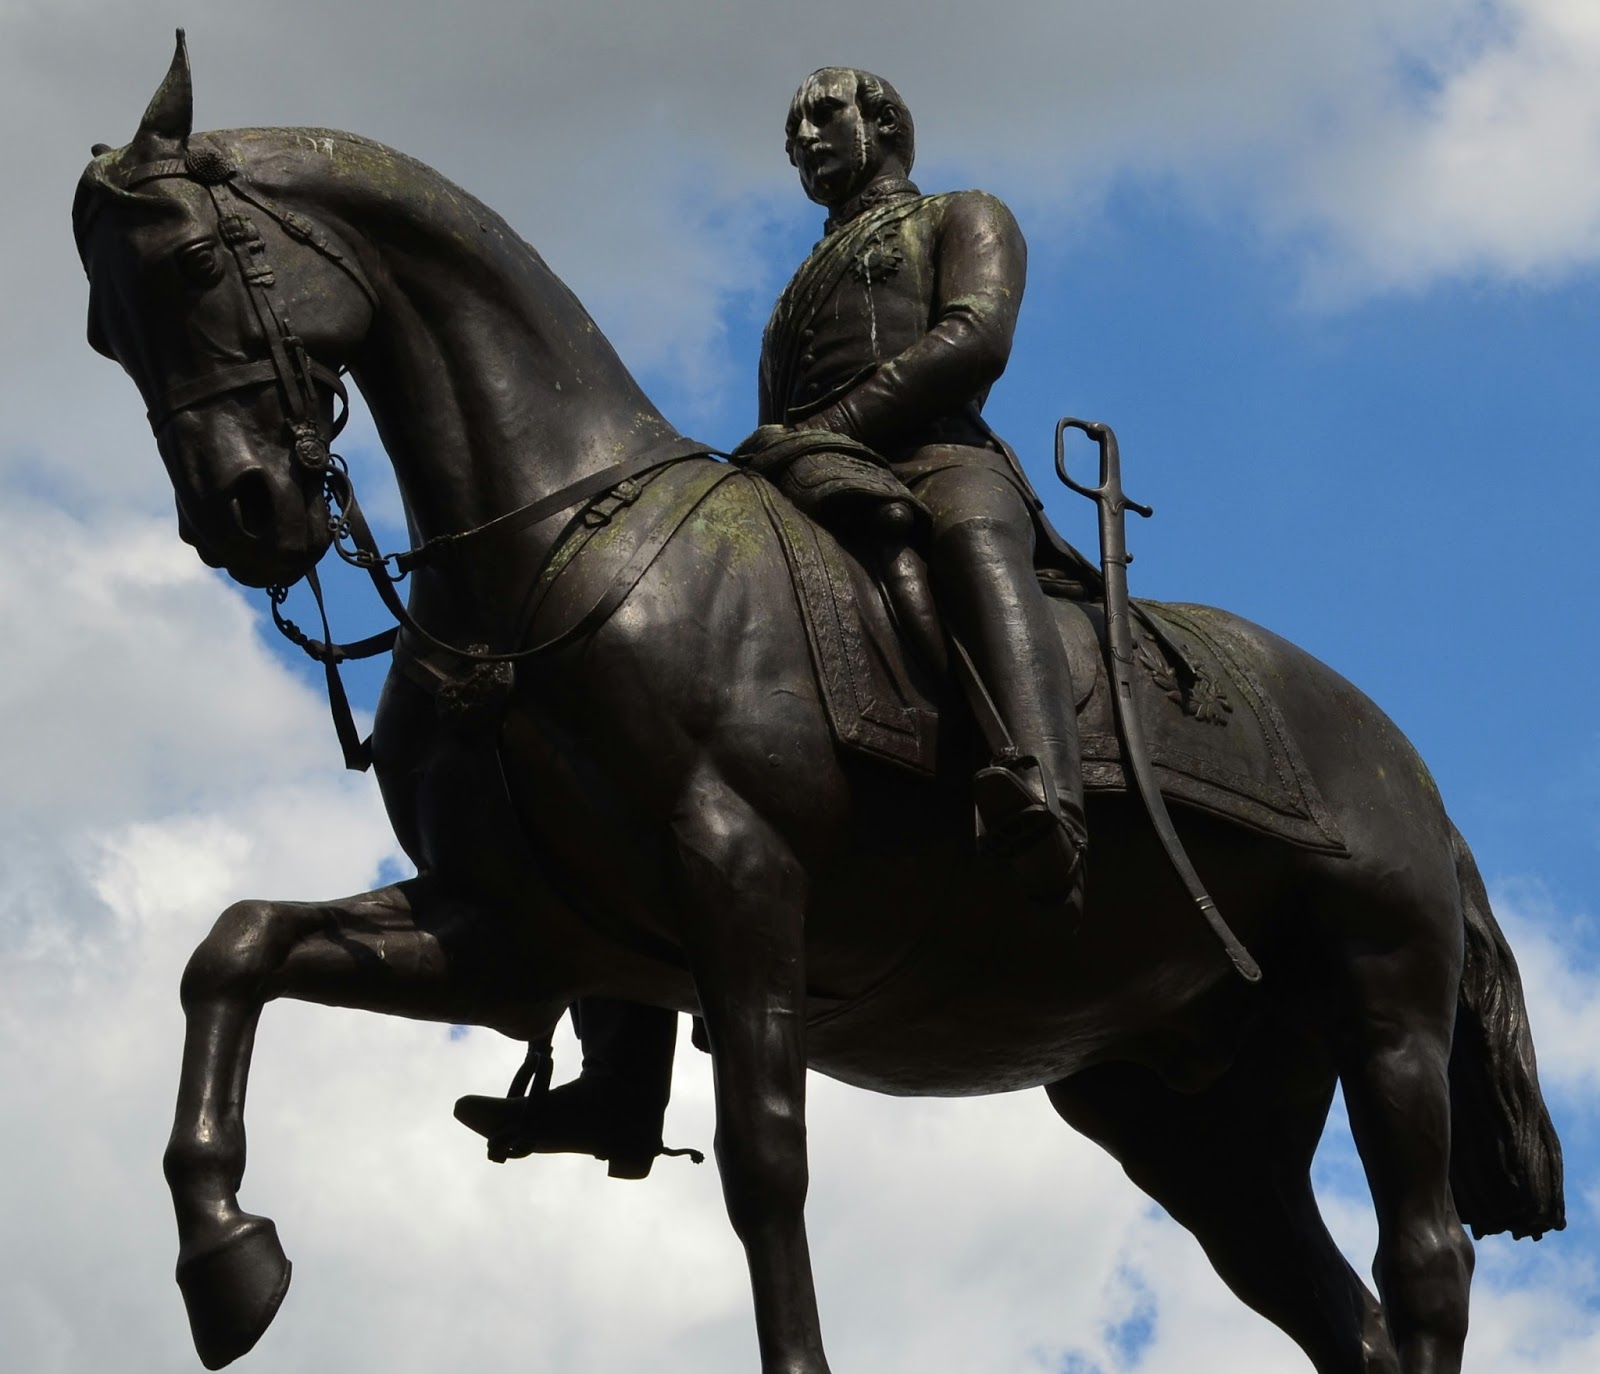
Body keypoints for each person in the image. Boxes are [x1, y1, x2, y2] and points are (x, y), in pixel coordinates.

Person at [457, 68, 1086, 1172]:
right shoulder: (800, 284)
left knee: (969, 543)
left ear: (882, 123)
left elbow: (974, 337)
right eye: (791, 130)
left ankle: (1041, 784)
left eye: (820, 118)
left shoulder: (962, 216)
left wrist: (838, 423)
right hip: (807, 478)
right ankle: (620, 1086)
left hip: (935, 453)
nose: (802, 141)